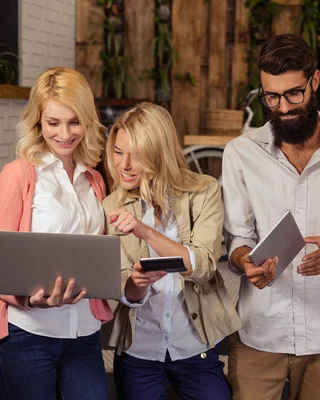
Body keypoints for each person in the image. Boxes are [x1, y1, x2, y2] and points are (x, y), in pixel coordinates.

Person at [222, 34, 320, 400]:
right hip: (259, 329)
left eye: (294, 93)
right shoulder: (239, 154)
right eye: (271, 96)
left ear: (315, 81)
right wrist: (246, 263)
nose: (284, 107)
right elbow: (237, 242)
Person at [102, 102, 241, 400]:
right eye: (118, 152)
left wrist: (144, 230)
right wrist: (134, 286)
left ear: (159, 153)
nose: (124, 165)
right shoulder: (112, 204)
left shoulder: (204, 190)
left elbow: (203, 266)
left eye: (136, 155)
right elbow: (122, 287)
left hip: (194, 347)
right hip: (139, 349)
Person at [0, 67, 112, 399]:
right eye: (53, 123)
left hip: (84, 332)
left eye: (74, 121)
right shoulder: (18, 175)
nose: (65, 133)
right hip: (28, 334)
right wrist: (26, 298)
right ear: (38, 122)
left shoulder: (94, 179)